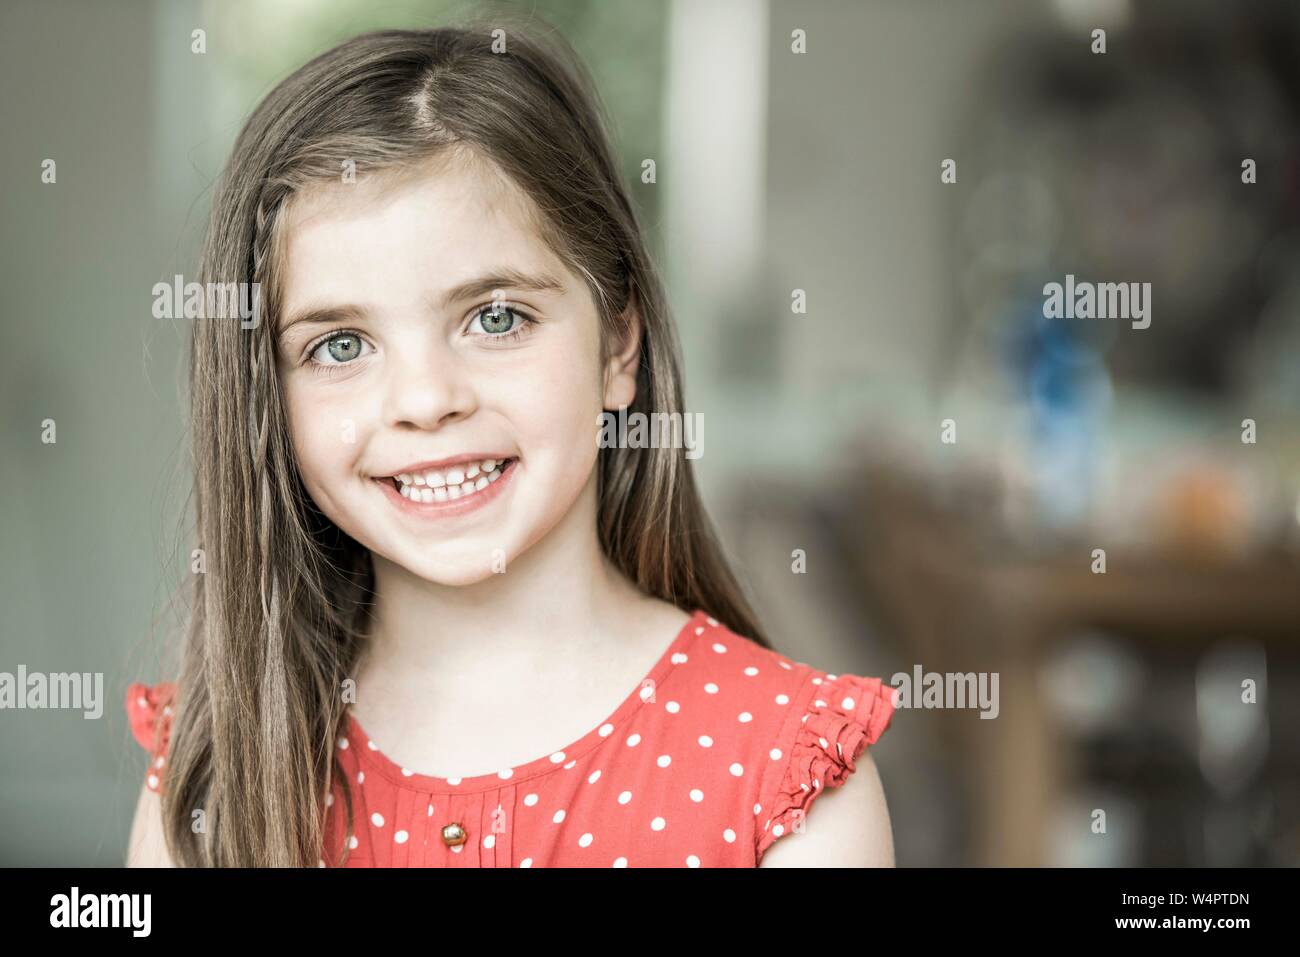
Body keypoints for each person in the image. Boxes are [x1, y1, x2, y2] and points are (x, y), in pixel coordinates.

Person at [125, 19, 896, 868]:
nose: (425, 400)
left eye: (496, 317)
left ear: (618, 347)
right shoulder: (211, 770)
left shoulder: (786, 778)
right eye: (339, 344)